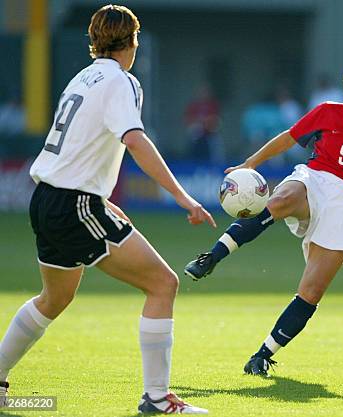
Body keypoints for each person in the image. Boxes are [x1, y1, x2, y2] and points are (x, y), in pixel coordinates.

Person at [0, 5, 215, 414]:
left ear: (94, 39)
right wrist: (184, 197)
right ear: (133, 42)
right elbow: (134, 140)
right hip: (76, 203)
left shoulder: (82, 77)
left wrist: (105, 207)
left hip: (47, 198)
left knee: (54, 298)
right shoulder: (122, 81)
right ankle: (156, 398)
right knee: (163, 284)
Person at [185, 38, 343, 376]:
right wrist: (249, 163)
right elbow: (288, 137)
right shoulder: (328, 113)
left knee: (311, 291)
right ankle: (212, 256)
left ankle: (263, 354)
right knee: (281, 198)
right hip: (314, 178)